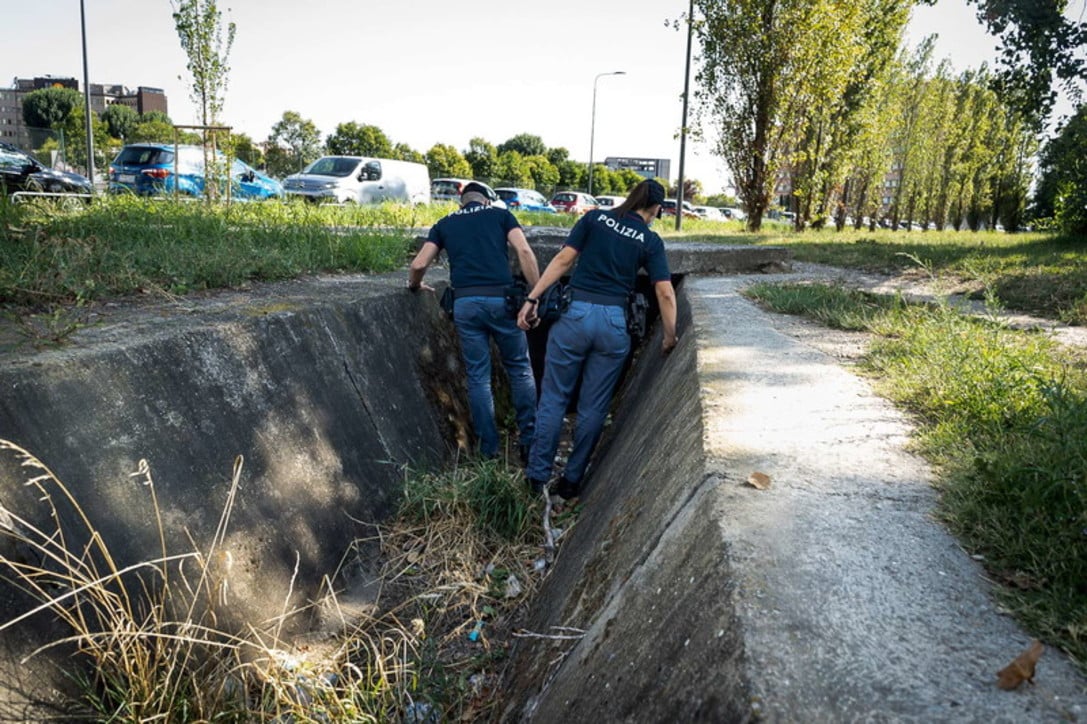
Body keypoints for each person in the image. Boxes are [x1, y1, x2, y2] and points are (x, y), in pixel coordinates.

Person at [517, 178, 678, 499]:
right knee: (593, 407)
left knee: (553, 399)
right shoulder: (650, 240)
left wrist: (532, 298)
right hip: (614, 323)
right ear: (656, 209)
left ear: (631, 198)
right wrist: (669, 336)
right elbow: (664, 292)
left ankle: (536, 478)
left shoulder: (594, 218)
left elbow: (563, 261)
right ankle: (570, 482)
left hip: (574, 316)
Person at [407, 182, 541, 462]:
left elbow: (419, 264)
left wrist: (415, 286)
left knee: (478, 377)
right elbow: (525, 252)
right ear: (487, 201)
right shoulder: (500, 216)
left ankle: (488, 450)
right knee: (519, 368)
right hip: (503, 302)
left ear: (461, 202)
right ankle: (529, 441)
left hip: (466, 304)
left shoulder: (444, 223)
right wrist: (536, 294)